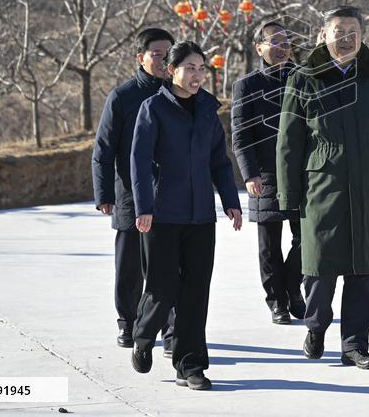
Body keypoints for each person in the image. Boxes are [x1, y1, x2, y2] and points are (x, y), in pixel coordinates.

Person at [277, 6, 369, 370]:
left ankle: (355, 344)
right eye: (338, 30)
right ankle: (315, 326)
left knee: (365, 268)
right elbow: (289, 141)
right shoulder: (305, 77)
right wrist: (287, 194)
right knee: (319, 266)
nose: (346, 37)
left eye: (353, 31)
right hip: (322, 185)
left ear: (362, 36)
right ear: (323, 35)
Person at [129, 41, 243, 391]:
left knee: (195, 292)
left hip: (200, 217)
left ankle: (190, 365)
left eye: (201, 68)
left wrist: (229, 201)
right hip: (162, 216)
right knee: (163, 288)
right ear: (172, 70)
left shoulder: (209, 108)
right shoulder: (153, 109)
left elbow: (219, 161)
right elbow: (139, 161)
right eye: (190, 68)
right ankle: (144, 334)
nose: (197, 75)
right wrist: (144, 207)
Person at [92, 28, 176, 352]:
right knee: (129, 266)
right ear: (140, 58)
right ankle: (128, 323)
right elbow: (103, 149)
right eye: (157, 53)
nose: (163, 59)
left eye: (168, 53)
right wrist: (104, 195)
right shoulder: (123, 96)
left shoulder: (178, 93)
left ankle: (170, 330)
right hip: (129, 194)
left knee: (168, 264)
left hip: (169, 194)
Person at [231, 20, 305, 325]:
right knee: (269, 244)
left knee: (308, 239)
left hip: (303, 173)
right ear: (260, 48)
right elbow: (240, 135)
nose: (282, 47)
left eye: (286, 42)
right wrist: (249, 174)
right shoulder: (247, 86)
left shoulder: (303, 78)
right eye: (274, 42)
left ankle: (293, 287)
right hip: (265, 174)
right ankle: (277, 301)